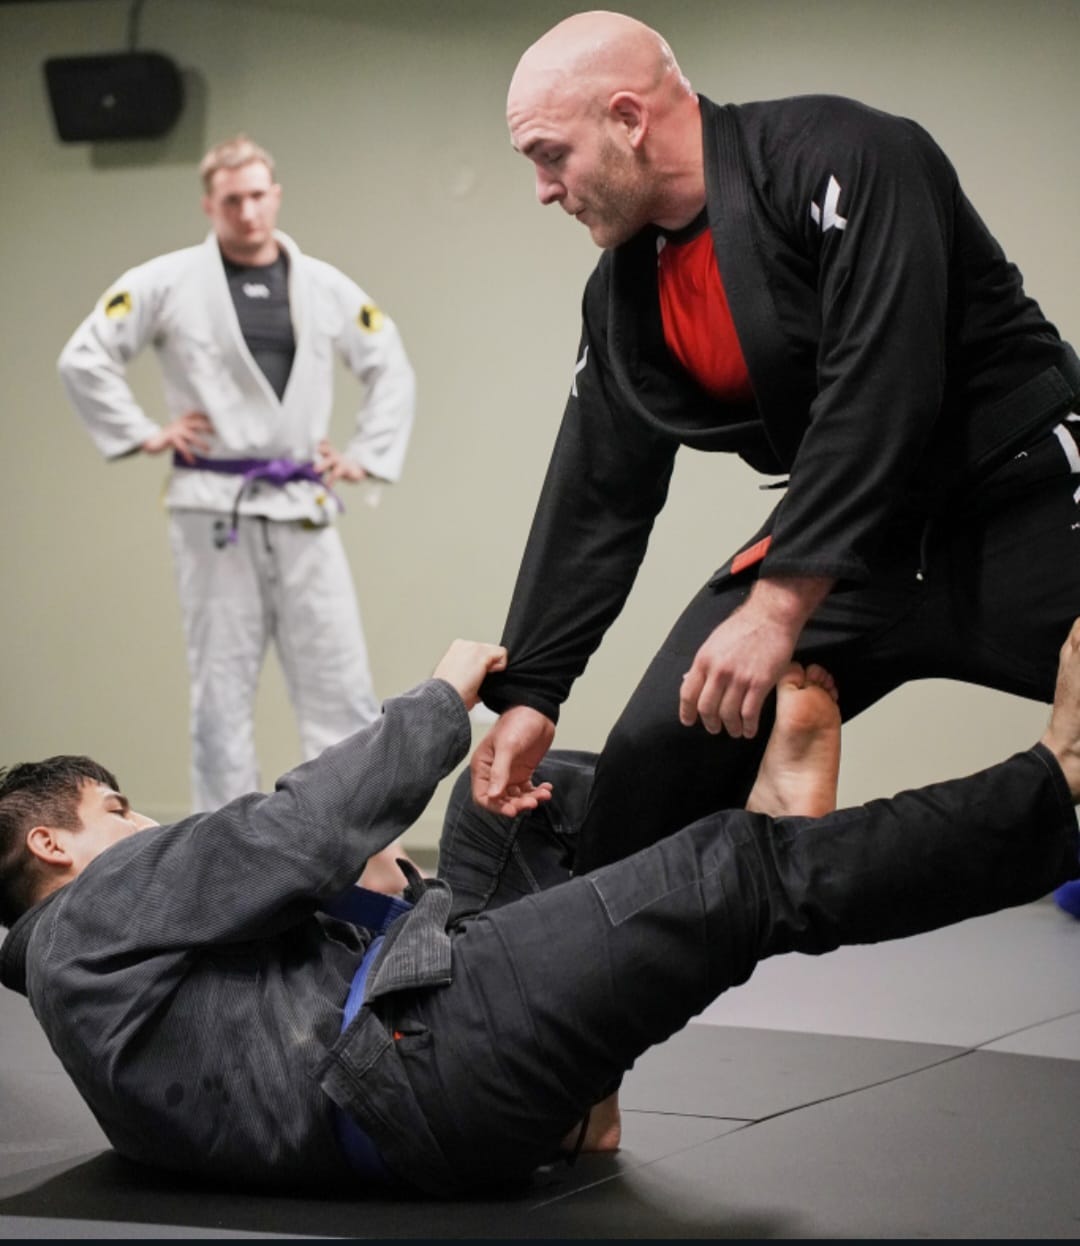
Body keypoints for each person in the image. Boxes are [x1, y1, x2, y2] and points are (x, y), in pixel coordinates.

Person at [1, 623, 1079, 1196]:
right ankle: (1053, 783)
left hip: (405, 1046)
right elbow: (294, 830)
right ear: (52, 844)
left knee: (527, 794)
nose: (144, 821)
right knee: (732, 871)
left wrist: (369, 903)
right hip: (423, 1070)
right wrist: (441, 697)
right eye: (116, 809)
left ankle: (587, 1105)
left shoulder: (70, 975)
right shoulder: (90, 912)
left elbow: (249, 1025)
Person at [470, 10, 1080, 876]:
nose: (542, 189)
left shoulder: (846, 154)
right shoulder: (621, 298)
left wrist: (778, 608)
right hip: (857, 541)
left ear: (628, 119)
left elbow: (881, 386)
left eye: (549, 155)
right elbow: (598, 491)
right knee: (652, 768)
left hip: (1023, 493)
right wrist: (533, 689)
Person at [58, 134, 416, 892]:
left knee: (341, 687)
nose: (248, 211)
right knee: (220, 693)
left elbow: (388, 362)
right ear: (209, 205)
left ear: (275, 196)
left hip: (302, 505)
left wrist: (366, 453)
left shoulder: (321, 285)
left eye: (258, 196)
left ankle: (360, 859)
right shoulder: (168, 282)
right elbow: (83, 356)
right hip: (211, 509)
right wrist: (141, 432)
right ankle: (225, 875)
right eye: (232, 200)